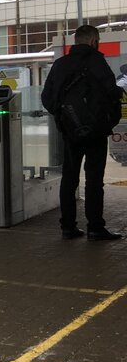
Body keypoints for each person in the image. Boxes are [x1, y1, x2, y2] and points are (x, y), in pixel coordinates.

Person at [41, 24, 122, 241]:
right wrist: (106, 120)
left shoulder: (60, 64)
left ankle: (68, 227)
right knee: (94, 180)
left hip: (70, 131)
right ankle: (95, 228)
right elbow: (112, 93)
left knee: (69, 178)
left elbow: (47, 98)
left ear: (76, 41)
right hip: (95, 132)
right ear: (94, 41)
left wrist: (65, 117)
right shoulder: (97, 62)